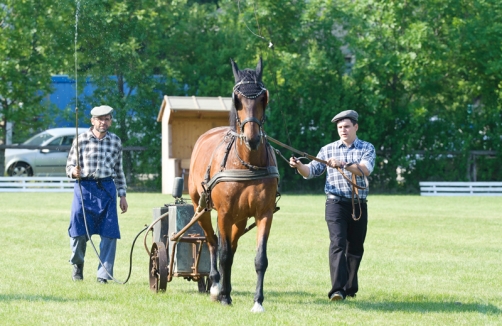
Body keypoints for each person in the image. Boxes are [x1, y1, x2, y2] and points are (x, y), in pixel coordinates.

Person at [289, 109, 376, 301]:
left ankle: (350, 287)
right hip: (335, 203)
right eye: (339, 127)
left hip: (358, 204)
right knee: (337, 244)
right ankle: (337, 290)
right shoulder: (327, 149)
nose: (343, 130)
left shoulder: (367, 148)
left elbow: (365, 170)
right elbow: (311, 171)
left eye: (346, 126)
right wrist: (299, 166)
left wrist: (342, 163)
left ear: (355, 127)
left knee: (355, 248)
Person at [66, 105, 128, 283]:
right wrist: (73, 172)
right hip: (84, 188)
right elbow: (69, 165)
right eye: (100, 119)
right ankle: (78, 265)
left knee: (109, 234)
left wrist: (122, 195)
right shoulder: (81, 139)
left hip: (107, 189)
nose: (103, 122)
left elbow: (119, 170)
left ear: (110, 121)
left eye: (107, 119)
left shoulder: (115, 141)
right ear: (92, 120)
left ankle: (104, 275)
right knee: (78, 232)